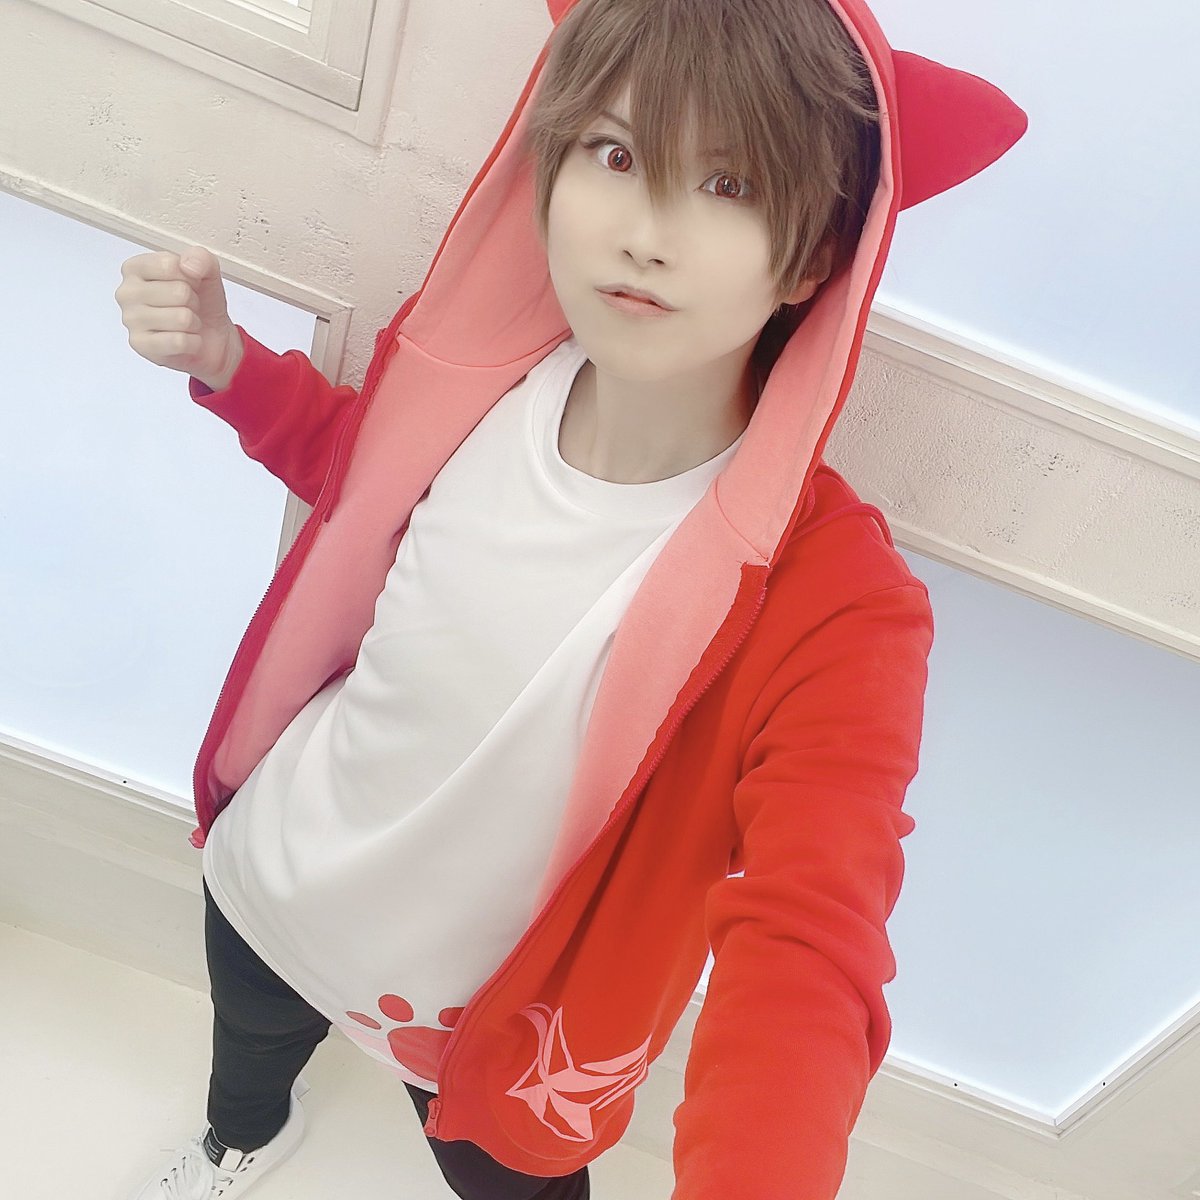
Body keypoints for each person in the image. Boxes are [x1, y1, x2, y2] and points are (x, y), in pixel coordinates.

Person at [115, 1, 1027, 1197]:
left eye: (732, 184)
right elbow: (365, 489)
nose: (646, 233)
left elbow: (810, 939)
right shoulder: (480, 373)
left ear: (815, 258)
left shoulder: (834, 600)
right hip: (276, 885)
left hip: (497, 1035)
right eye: (615, 152)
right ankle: (242, 1140)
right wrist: (232, 368)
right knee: (244, 1068)